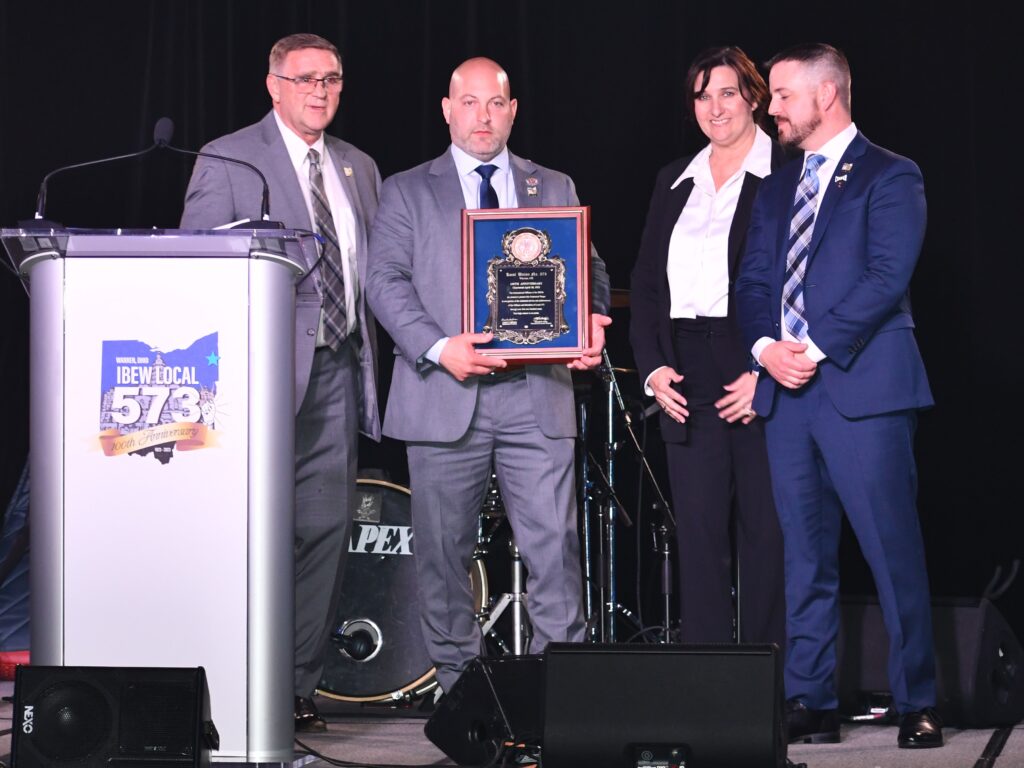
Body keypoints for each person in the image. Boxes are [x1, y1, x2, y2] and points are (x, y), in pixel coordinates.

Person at [365, 57, 611, 693]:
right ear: (447, 110)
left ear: (512, 110)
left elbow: (591, 271)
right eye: (469, 103)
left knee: (555, 551)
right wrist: (439, 346)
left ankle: (565, 695)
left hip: (537, 398)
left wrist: (592, 320)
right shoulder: (406, 190)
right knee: (442, 557)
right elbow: (383, 282)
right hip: (444, 392)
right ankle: (462, 693)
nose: (483, 115)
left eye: (495, 103)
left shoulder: (551, 185)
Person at [734, 43, 941, 748]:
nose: (773, 107)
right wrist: (767, 352)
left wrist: (811, 350)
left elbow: (887, 276)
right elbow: (754, 284)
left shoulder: (891, 174)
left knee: (892, 550)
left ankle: (918, 700)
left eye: (785, 94)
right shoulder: (773, 186)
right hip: (788, 399)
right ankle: (811, 701)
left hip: (864, 390)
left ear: (829, 95)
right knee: (805, 557)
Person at [180, 33, 381, 732]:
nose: (319, 92)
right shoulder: (230, 157)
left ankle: (294, 689)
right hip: (251, 382)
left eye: (331, 79)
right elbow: (197, 269)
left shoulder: (358, 166)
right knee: (245, 534)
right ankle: (229, 686)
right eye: (304, 80)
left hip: (336, 371)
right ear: (274, 86)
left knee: (325, 530)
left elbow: (378, 275)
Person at [628, 46, 787, 648]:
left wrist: (765, 374)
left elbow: (803, 282)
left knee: (767, 532)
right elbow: (645, 283)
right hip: (685, 365)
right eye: (702, 95)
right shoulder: (674, 179)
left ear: (753, 97)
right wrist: (654, 369)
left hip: (756, 359)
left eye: (726, 92)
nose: (714, 107)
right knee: (697, 533)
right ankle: (708, 683)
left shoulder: (787, 173)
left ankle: (773, 685)